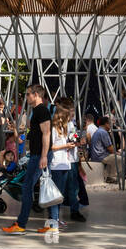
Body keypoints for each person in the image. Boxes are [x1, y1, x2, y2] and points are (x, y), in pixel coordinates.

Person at [3, 84, 52, 235]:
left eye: (28, 94)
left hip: (40, 155)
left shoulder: (42, 110)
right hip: (37, 154)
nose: (26, 97)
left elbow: (47, 133)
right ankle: (52, 223)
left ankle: (21, 224)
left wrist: (43, 156)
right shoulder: (37, 111)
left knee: (28, 187)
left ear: (36, 94)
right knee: (42, 187)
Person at [43, 105, 77, 239]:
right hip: (56, 165)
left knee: (59, 195)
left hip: (64, 164)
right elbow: (51, 147)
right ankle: (54, 222)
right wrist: (66, 146)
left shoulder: (64, 129)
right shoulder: (53, 129)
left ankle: (54, 220)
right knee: (55, 196)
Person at [54, 95, 87, 223]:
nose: (73, 113)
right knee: (62, 187)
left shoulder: (71, 124)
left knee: (73, 187)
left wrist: (78, 142)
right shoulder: (58, 125)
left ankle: (74, 210)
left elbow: (73, 138)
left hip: (71, 159)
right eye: (71, 111)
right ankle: (55, 212)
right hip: (62, 160)